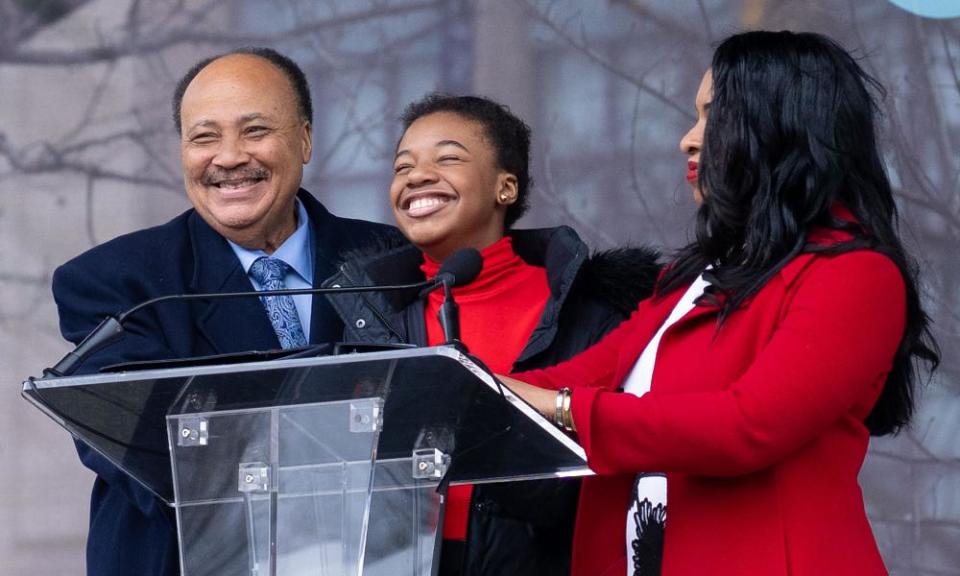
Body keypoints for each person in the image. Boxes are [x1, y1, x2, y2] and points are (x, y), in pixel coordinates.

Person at [501, 30, 940, 576]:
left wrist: (565, 408)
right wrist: (452, 385)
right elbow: (581, 375)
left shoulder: (856, 275)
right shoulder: (692, 279)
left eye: (712, 116)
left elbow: (746, 427)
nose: (688, 139)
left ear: (780, 126)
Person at [51, 48, 395, 576]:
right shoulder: (117, 280)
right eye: (204, 137)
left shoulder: (391, 263)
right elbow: (141, 447)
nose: (229, 157)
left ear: (305, 138)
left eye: (254, 130)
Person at [324, 93, 660, 575]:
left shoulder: (588, 308)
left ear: (506, 187)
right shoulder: (367, 312)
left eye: (448, 158)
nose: (416, 176)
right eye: (403, 167)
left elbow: (607, 463)